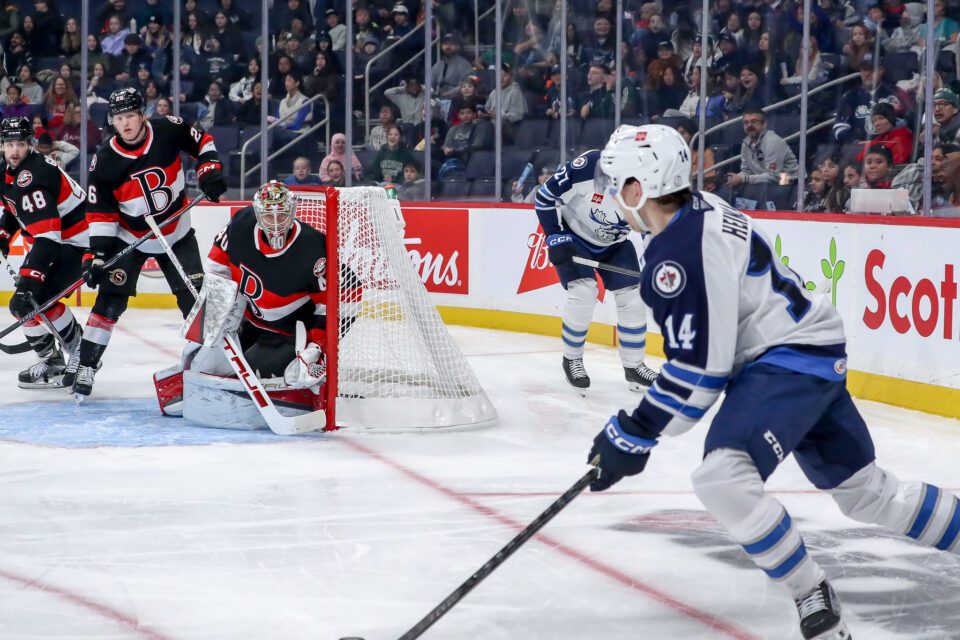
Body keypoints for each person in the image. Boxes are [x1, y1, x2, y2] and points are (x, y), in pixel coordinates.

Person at [590, 123, 960, 640]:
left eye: (615, 182)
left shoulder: (675, 254)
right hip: (809, 351)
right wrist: (643, 430)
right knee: (867, 493)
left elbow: (701, 372)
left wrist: (635, 429)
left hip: (788, 359)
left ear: (639, 188)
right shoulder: (699, 210)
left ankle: (813, 593)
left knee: (722, 477)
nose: (608, 194)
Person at [67, 88, 227, 399]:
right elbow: (101, 213)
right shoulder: (105, 160)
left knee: (194, 300)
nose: (125, 123)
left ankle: (213, 361)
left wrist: (209, 169)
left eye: (130, 115)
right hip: (131, 237)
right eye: (118, 118)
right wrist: (97, 256)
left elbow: (202, 142)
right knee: (110, 302)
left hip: (176, 232)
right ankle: (87, 364)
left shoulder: (168, 128)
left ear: (142, 115)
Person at [534, 148, 659, 395]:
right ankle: (572, 359)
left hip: (615, 244)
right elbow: (545, 197)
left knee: (633, 298)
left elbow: (651, 230)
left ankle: (634, 366)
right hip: (575, 237)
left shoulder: (651, 184)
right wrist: (555, 236)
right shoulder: (588, 165)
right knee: (583, 291)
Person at [0, 117, 87, 388]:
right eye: (9, 144)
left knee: (41, 301)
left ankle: (83, 354)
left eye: (21, 144)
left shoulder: (34, 176)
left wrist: (30, 279)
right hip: (55, 240)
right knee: (22, 305)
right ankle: (52, 362)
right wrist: (3, 234)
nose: (15, 151)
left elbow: (49, 238)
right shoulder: (8, 171)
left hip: (78, 242)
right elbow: (16, 209)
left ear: (31, 145)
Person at [726, 108, 799, 190]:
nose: (749, 125)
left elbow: (774, 176)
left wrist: (744, 179)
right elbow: (746, 171)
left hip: (792, 182)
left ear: (764, 124)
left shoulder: (773, 141)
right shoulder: (746, 144)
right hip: (769, 183)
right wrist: (736, 178)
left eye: (753, 122)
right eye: (746, 122)